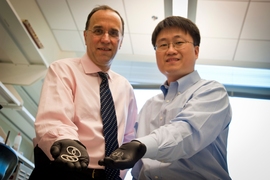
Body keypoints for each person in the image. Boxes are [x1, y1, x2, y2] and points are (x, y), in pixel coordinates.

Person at [99, 16, 232, 180]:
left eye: (179, 43)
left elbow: (185, 132)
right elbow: (136, 162)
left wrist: (141, 146)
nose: (170, 50)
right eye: (163, 45)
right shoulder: (149, 105)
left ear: (196, 51)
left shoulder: (212, 92)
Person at [29, 5, 137, 180]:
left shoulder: (126, 88)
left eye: (114, 33)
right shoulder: (63, 70)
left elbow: (128, 137)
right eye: (98, 31)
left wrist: (118, 172)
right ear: (86, 36)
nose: (106, 39)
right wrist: (67, 145)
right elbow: (54, 119)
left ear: (121, 41)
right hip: (64, 171)